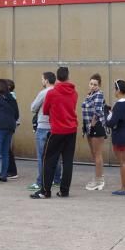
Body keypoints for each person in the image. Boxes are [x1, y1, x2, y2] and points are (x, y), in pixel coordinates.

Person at [31, 66, 78, 200]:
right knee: (67, 161)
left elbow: (45, 110)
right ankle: (64, 191)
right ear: (68, 76)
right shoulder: (74, 93)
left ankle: (45, 191)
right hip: (72, 130)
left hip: (57, 130)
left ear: (57, 78)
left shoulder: (52, 93)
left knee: (48, 159)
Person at [29, 72, 61, 192]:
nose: (42, 81)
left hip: (43, 126)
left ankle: (40, 182)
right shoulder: (59, 92)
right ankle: (57, 179)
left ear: (46, 80)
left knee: (42, 156)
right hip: (56, 127)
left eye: (42, 79)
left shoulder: (44, 93)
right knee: (56, 155)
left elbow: (33, 108)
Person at [106, 79, 125, 196]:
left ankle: (123, 188)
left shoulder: (119, 105)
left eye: (115, 89)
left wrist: (107, 115)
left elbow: (111, 123)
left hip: (121, 136)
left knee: (123, 162)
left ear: (118, 90)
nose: (114, 91)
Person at [81, 74, 107, 191]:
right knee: (94, 154)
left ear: (99, 85)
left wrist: (92, 124)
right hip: (88, 128)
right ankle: (99, 177)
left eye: (95, 84)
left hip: (96, 127)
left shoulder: (99, 94)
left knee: (97, 154)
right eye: (91, 84)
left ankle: (99, 181)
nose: (92, 86)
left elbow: (98, 111)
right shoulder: (89, 95)